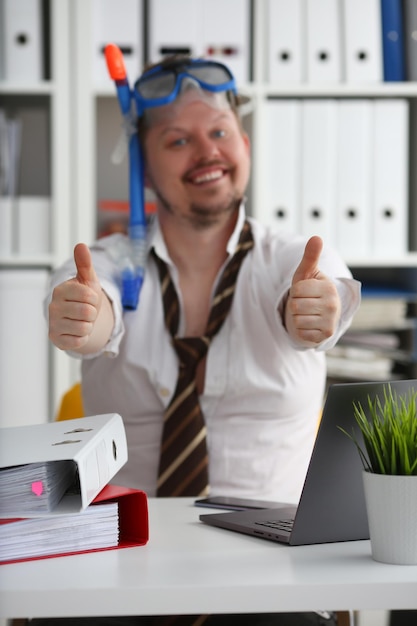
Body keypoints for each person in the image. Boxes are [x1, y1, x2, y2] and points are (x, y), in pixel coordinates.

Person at [42, 55, 361, 626]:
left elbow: (318, 299)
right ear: (143, 165)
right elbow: (92, 309)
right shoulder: (108, 265)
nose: (206, 151)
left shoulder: (292, 258)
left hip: (270, 573)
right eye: (177, 140)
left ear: (243, 142)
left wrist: (312, 312)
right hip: (120, 563)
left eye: (218, 132)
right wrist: (86, 324)